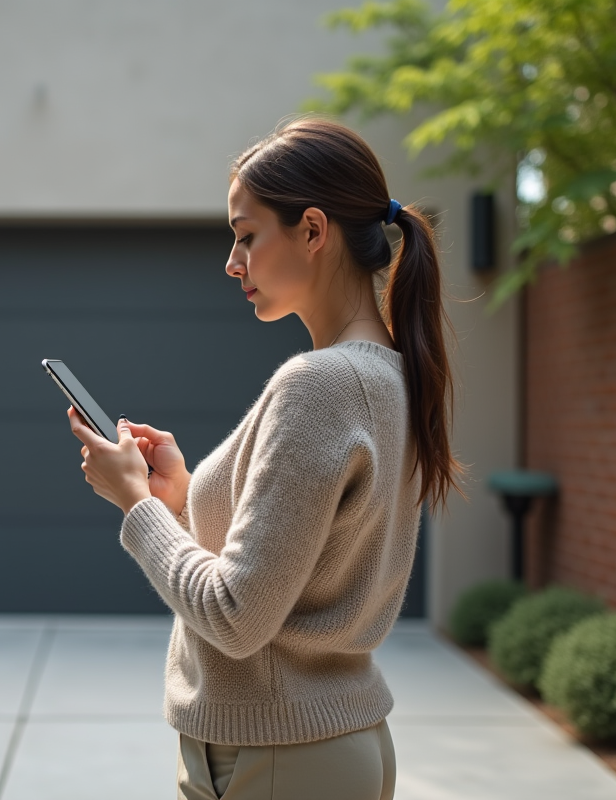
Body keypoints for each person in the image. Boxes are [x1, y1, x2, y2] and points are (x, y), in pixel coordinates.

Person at [65, 117, 462, 800]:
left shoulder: (320, 385)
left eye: (246, 236)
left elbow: (236, 617)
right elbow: (298, 560)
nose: (231, 261)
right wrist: (182, 495)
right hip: (322, 747)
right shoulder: (386, 376)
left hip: (276, 758)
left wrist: (135, 504)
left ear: (312, 230)